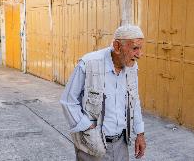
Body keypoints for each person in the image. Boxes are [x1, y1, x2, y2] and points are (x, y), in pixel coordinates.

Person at [60, 24, 146, 161]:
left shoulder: (131, 66)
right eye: (135, 48)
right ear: (117, 46)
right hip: (92, 144)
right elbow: (68, 101)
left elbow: (134, 100)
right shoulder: (89, 63)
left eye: (141, 48)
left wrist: (140, 133)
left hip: (121, 144)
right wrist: (86, 126)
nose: (140, 54)